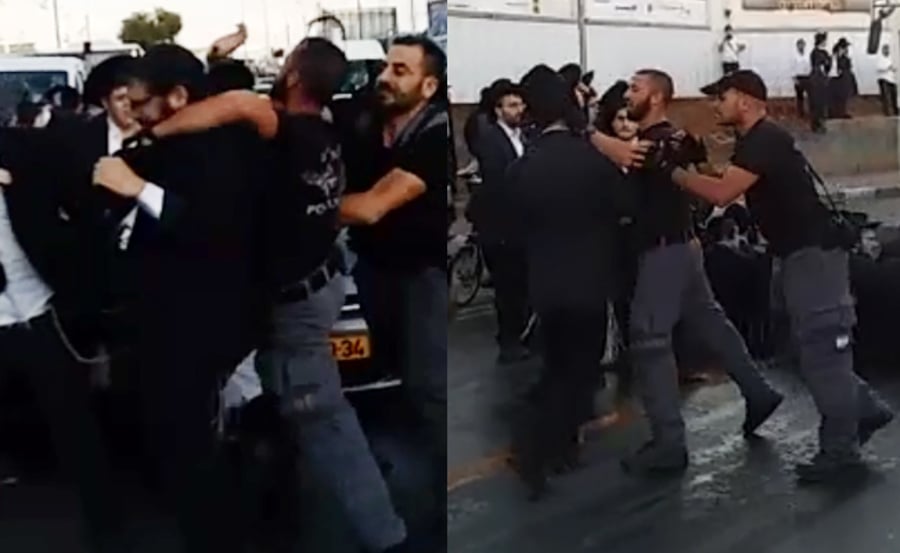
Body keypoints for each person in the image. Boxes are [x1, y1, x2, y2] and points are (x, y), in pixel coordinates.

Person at [146, 37, 411, 553]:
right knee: (283, 407)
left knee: (325, 419)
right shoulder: (325, 129)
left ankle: (387, 535)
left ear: (291, 77)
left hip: (298, 304)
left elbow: (240, 103)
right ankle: (283, 507)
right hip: (316, 281)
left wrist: (149, 137)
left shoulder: (288, 131)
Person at [672, 69, 895, 483]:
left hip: (814, 258)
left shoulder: (765, 140)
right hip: (797, 256)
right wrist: (695, 163)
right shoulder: (755, 141)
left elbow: (722, 193)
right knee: (812, 350)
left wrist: (675, 173)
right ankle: (866, 409)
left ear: (744, 99)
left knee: (822, 351)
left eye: (721, 97)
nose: (715, 105)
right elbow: (726, 180)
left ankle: (840, 450)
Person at [92, 44, 263, 553]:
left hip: (196, 327)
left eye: (140, 102)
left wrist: (137, 189)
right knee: (173, 441)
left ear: (178, 97)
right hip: (157, 324)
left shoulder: (221, 150)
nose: (133, 113)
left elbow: (211, 231)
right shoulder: (159, 145)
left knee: (193, 446)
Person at [617, 69, 784, 476]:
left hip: (663, 250)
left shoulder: (656, 144)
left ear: (657, 97)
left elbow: (705, 186)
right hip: (683, 245)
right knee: (710, 321)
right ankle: (758, 390)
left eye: (635, 88)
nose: (627, 95)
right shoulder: (676, 138)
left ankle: (669, 442)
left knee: (649, 340)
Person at [340, 34, 448, 551]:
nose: (385, 76)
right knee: (400, 381)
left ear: (428, 86)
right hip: (375, 271)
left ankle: (439, 510)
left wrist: (305, 206)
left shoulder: (435, 135)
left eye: (400, 70)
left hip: (422, 276)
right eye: (386, 66)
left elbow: (370, 208)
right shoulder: (370, 121)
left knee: (430, 387)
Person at [507, 64, 633, 500]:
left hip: (545, 282)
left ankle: (556, 446)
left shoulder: (525, 165)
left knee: (557, 363)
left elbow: (510, 222)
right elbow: (624, 207)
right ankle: (539, 445)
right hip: (589, 280)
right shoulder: (593, 161)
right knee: (579, 370)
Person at [0, 125, 127, 553]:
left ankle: (107, 525)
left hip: (38, 307)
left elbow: (79, 210)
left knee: (74, 423)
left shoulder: (23, 150)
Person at [467, 80, 531, 363]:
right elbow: (499, 181)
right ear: (498, 110)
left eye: (520, 104)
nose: (519, 110)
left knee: (521, 284)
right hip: (501, 225)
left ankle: (522, 334)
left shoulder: (523, 137)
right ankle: (509, 341)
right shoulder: (491, 140)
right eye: (512, 105)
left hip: (521, 224)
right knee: (508, 287)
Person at [809, 32, 831, 133]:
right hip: (817, 79)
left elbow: (827, 66)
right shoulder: (815, 53)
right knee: (816, 101)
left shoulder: (824, 53)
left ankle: (820, 122)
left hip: (821, 79)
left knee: (821, 102)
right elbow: (819, 65)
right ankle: (816, 123)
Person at [877, 43, 898, 116]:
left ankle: (895, 111)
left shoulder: (890, 59)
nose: (887, 51)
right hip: (884, 79)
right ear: (883, 50)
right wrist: (887, 68)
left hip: (892, 79)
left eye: (888, 50)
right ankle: (887, 112)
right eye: (885, 49)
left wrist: (893, 69)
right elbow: (878, 68)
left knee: (894, 95)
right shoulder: (880, 59)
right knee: (886, 97)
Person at [792, 38, 809, 118]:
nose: (801, 46)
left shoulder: (807, 55)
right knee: (800, 96)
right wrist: (794, 79)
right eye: (800, 45)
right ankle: (800, 112)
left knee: (809, 95)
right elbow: (792, 68)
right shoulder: (794, 56)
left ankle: (808, 111)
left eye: (802, 45)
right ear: (797, 46)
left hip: (806, 76)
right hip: (798, 77)